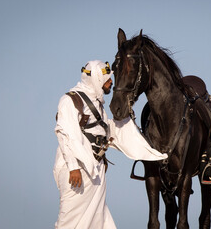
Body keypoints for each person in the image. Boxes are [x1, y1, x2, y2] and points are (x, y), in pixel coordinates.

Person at [53, 60, 167, 229]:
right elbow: (66, 134)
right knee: (70, 222)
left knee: (99, 222)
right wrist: (73, 167)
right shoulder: (70, 100)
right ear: (97, 79)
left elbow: (104, 131)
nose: (111, 82)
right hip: (77, 172)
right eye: (107, 79)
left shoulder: (97, 102)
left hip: (95, 169)